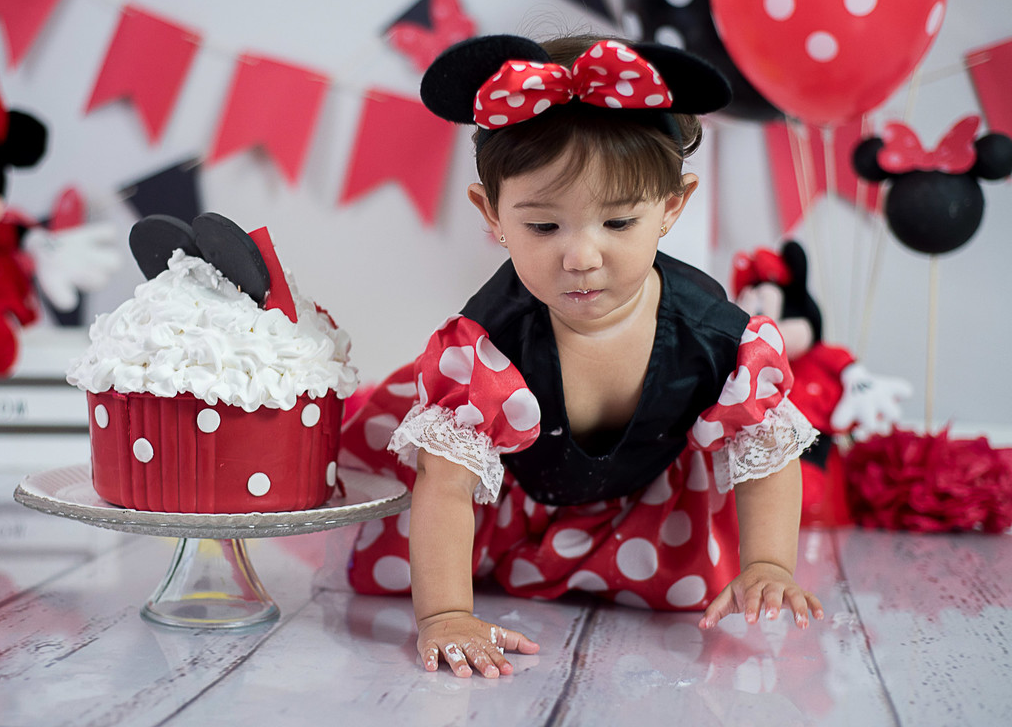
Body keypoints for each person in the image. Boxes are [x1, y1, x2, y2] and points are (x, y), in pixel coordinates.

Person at [339, 33, 824, 679]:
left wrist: (768, 563)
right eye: (543, 226)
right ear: (493, 215)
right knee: (421, 522)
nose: (582, 257)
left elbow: (763, 450)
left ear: (671, 207)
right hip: (510, 499)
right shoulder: (485, 346)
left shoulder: (717, 338)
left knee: (682, 591)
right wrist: (446, 614)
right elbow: (449, 486)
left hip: (642, 508)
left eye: (619, 223)